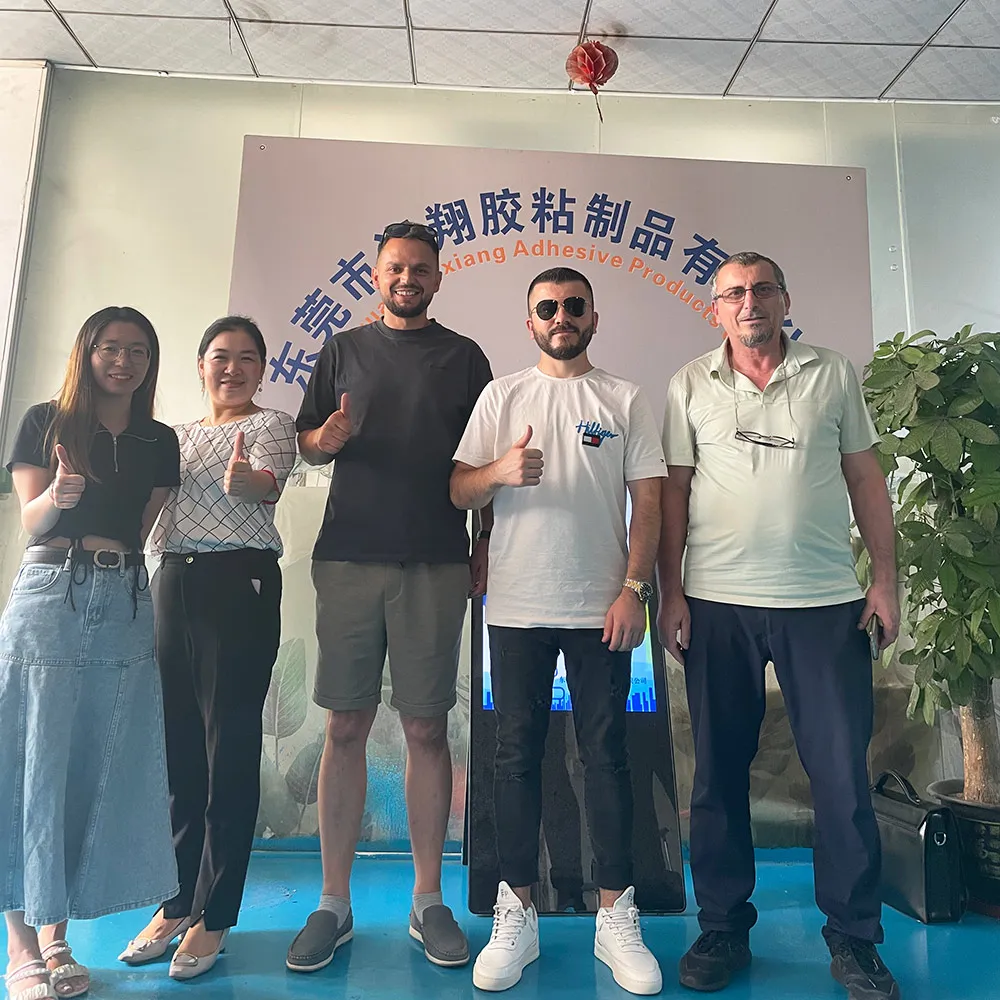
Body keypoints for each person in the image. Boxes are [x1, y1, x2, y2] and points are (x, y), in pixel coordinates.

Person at [657, 252, 901, 999]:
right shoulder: (688, 384)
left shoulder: (832, 374)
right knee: (718, 776)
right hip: (717, 604)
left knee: (840, 777)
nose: (749, 302)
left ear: (785, 300)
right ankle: (722, 926)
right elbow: (673, 494)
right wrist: (671, 593)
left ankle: (853, 937)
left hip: (824, 603)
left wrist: (884, 581)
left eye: (762, 289)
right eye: (733, 292)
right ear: (716, 308)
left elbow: (866, 477)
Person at [451, 266, 666, 996]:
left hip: (603, 608)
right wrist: (500, 471)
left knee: (607, 758)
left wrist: (635, 590)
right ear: (531, 322)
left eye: (575, 306)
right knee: (515, 758)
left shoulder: (625, 398)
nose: (561, 316)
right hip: (515, 608)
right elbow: (458, 487)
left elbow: (649, 502)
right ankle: (516, 913)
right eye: (548, 307)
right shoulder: (502, 395)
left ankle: (616, 914)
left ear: (594, 319)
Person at [286, 221, 493, 973]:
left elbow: (483, 462)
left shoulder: (465, 358)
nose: (407, 278)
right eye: (395, 268)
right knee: (344, 725)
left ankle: (428, 900)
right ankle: (332, 904)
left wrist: (483, 542)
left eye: (421, 269)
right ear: (377, 276)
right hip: (348, 558)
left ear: (439, 277)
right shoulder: (341, 350)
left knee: (427, 728)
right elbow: (307, 441)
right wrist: (326, 439)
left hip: (436, 560)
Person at [0, 307, 180, 1000]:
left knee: (93, 765)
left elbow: (140, 530)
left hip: (125, 598)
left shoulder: (158, 440)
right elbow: (30, 519)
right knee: (30, 762)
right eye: (110, 348)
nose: (123, 361)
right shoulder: (44, 422)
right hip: (50, 592)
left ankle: (57, 936)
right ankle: (21, 947)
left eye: (138, 350)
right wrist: (57, 494)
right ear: (87, 352)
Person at [119, 317, 296, 980]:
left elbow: (267, 481)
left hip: (238, 581)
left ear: (262, 370)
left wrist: (251, 482)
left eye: (248, 358)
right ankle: (175, 904)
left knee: (230, 749)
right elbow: (148, 509)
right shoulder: (172, 436)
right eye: (221, 356)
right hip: (173, 581)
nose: (233, 368)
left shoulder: (272, 423)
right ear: (200, 365)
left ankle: (215, 914)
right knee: (180, 752)